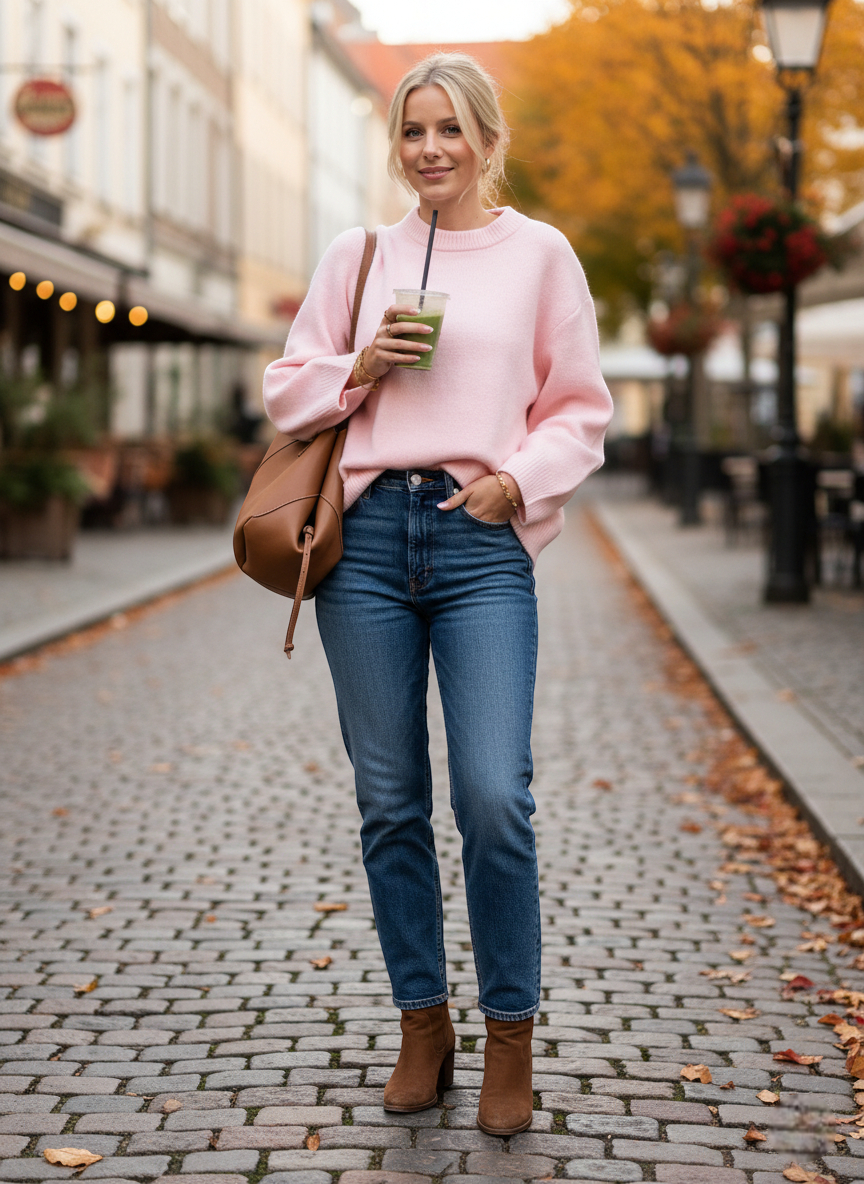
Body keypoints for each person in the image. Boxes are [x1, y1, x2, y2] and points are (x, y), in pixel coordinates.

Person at [262, 52, 613, 1136]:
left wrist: (519, 481)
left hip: (478, 539)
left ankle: (511, 1024)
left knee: (496, 797)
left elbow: (580, 407)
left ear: (487, 139)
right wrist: (360, 363)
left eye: (450, 129)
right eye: (413, 130)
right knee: (389, 800)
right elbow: (287, 387)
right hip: (363, 544)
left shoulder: (541, 255)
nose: (430, 149)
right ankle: (426, 1021)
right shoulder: (356, 253)